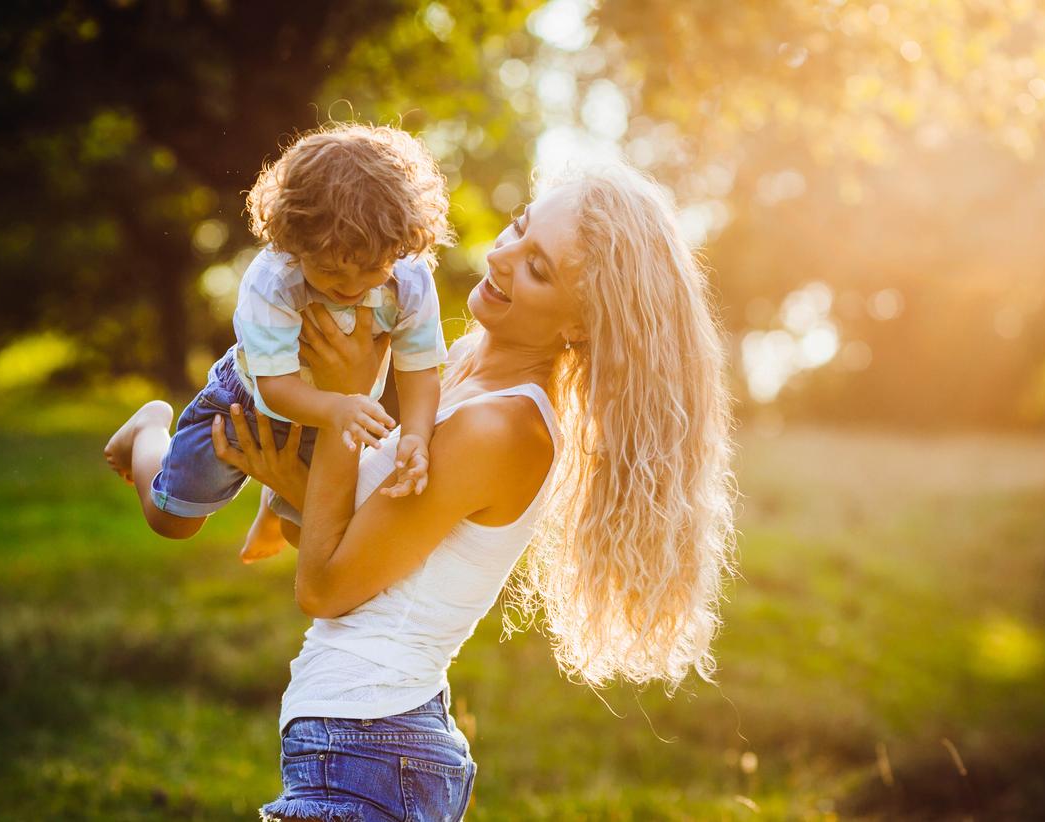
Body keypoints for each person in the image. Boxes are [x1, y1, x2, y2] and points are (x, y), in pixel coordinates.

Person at [214, 162, 737, 821]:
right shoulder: (458, 373)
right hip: (362, 743)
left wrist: (341, 407)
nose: (501, 255)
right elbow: (356, 548)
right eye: (519, 228)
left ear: (580, 325)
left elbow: (325, 587)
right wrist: (299, 476)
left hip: (371, 750)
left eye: (539, 268)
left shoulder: (498, 427)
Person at [103, 124, 453, 560]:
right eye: (328, 270)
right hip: (247, 402)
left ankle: (274, 506)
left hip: (337, 411)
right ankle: (147, 430)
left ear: (399, 246)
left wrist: (415, 437)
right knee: (172, 520)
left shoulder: (411, 279)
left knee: (306, 535)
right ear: (293, 243)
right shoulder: (274, 281)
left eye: (370, 269)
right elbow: (276, 387)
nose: (351, 286)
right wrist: (339, 407)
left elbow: (419, 372)